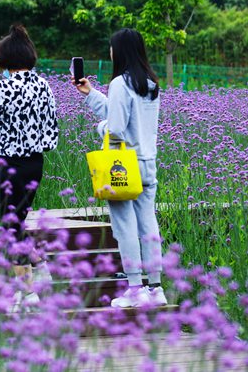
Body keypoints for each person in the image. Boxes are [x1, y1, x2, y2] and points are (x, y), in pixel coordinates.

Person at [0, 24, 59, 312]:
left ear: (3, 61)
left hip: (6, 164)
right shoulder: (44, 85)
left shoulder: (3, 86)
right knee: (11, 222)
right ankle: (39, 267)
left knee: (5, 226)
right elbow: (50, 126)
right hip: (34, 164)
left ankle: (27, 293)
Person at [73, 28, 168, 308]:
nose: (110, 53)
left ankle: (135, 287)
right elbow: (128, 116)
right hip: (147, 164)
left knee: (125, 226)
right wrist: (90, 94)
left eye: (112, 48)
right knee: (149, 225)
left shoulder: (119, 83)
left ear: (120, 51)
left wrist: (100, 127)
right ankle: (156, 288)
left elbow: (115, 127)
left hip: (122, 166)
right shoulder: (150, 83)